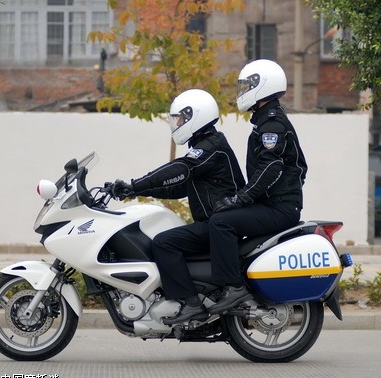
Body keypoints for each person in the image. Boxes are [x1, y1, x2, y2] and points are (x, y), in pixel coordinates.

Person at [110, 89, 245, 324]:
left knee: (164, 242)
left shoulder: (210, 147)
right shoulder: (206, 147)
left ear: (196, 117)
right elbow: (177, 187)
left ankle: (191, 302)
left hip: (219, 222)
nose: (177, 124)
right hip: (215, 222)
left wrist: (135, 184)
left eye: (181, 118)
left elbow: (181, 169)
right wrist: (135, 191)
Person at [207, 59, 308, 314]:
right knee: (222, 217)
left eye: (246, 85)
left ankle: (232, 287)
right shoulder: (266, 120)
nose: (242, 91)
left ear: (262, 86)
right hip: (277, 203)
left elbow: (270, 168)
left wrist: (241, 198)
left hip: (279, 208)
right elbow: (297, 168)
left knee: (222, 222)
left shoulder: (271, 124)